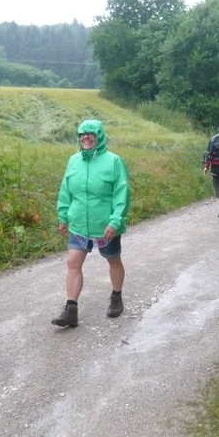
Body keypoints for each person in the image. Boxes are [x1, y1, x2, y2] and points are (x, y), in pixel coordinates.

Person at [52, 120, 130, 328]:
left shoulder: (114, 161)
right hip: (78, 223)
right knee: (72, 262)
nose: (85, 137)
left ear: (99, 136)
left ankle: (116, 297)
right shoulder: (73, 161)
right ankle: (71, 310)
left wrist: (115, 221)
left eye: (90, 133)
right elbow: (65, 190)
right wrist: (63, 216)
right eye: (82, 134)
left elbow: (121, 193)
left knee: (113, 261)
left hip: (105, 226)